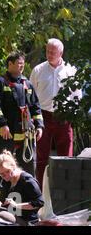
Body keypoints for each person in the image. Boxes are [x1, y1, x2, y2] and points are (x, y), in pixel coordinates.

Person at [0, 52, 44, 202]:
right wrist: (2, 124)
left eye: (23, 63)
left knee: (28, 168)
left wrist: (39, 126)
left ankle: (28, 201)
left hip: (27, 135)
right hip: (7, 133)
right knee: (1, 166)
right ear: (10, 64)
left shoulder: (28, 84)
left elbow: (35, 107)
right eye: (18, 63)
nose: (22, 66)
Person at [29, 38, 82, 188]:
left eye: (53, 52)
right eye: (47, 51)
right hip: (42, 116)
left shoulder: (70, 71)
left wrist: (73, 115)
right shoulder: (38, 70)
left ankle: (66, 190)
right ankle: (38, 191)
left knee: (66, 156)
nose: (49, 54)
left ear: (61, 53)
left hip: (63, 117)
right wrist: (32, 117)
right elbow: (29, 95)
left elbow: (77, 95)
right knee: (41, 157)